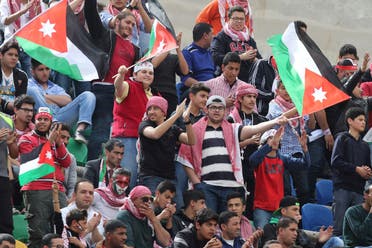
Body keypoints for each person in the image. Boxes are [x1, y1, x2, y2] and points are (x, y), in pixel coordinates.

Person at [177, 95, 288, 213]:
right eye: (213, 107)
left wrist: (275, 121)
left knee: (228, 224)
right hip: (207, 186)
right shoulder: (195, 130)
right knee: (209, 221)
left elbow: (254, 129)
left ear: (225, 111)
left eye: (220, 108)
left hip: (231, 186)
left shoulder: (233, 129)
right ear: (206, 110)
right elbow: (185, 157)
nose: (216, 110)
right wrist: (198, 184)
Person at [84, 0, 140, 160]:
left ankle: (110, 175)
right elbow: (91, 15)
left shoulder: (135, 50)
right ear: (117, 21)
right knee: (101, 133)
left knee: (116, 139)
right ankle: (93, 168)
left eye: (133, 24)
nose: (130, 26)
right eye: (127, 22)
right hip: (104, 90)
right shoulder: (105, 37)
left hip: (123, 96)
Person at [18, 107, 70, 248]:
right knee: (38, 233)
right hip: (36, 189)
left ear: (50, 122)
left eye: (45, 119)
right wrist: (49, 142)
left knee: (62, 233)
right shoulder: (26, 138)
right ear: (34, 121)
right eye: (39, 119)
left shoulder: (56, 140)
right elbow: (31, 161)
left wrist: (58, 143)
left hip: (58, 190)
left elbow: (66, 162)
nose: (42, 122)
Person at [248, 127, 310, 228]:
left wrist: (304, 149)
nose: (276, 140)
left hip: (279, 209)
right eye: (271, 138)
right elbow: (252, 160)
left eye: (278, 138)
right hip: (262, 208)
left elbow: (304, 165)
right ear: (265, 141)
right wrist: (269, 145)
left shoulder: (283, 158)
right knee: (263, 236)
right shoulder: (260, 159)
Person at [111, 62, 158, 189]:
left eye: (150, 73)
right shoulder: (129, 85)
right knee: (128, 174)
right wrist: (121, 75)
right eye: (144, 72)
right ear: (135, 74)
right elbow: (118, 88)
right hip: (127, 137)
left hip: (146, 142)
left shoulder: (155, 95)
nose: (147, 75)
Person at [26, 59, 96, 144]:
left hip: (60, 116)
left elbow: (67, 100)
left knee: (88, 95)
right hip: (42, 119)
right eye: (41, 70)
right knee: (32, 91)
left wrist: (44, 97)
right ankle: (53, 124)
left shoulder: (54, 86)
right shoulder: (28, 84)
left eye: (47, 69)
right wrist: (56, 100)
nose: (45, 73)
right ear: (32, 71)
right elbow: (31, 98)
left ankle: (80, 130)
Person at [138, 96, 195, 193]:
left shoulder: (173, 129)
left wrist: (187, 121)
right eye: (149, 109)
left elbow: (191, 141)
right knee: (154, 207)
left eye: (155, 108)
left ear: (163, 112)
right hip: (150, 177)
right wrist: (176, 115)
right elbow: (155, 134)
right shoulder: (145, 125)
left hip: (170, 178)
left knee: (177, 207)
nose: (151, 111)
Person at [266, 79, 309, 206]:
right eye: (283, 88)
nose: (286, 91)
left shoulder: (297, 105)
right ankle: (285, 217)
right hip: (280, 152)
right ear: (277, 90)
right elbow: (280, 118)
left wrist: (306, 107)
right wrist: (298, 108)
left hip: (297, 150)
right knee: (286, 189)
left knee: (304, 189)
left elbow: (308, 122)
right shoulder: (274, 103)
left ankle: (300, 218)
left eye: (290, 88)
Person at [228, 83, 267, 219]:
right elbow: (227, 145)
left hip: (256, 165)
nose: (252, 100)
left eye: (254, 97)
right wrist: (248, 142)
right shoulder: (231, 119)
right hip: (237, 165)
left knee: (253, 197)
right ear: (240, 99)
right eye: (248, 97)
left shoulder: (261, 120)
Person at [331, 107, 372, 236]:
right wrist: (356, 169)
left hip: (359, 190)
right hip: (343, 188)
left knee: (355, 230)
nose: (363, 122)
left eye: (364, 120)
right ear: (350, 120)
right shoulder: (342, 138)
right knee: (339, 228)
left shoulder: (365, 145)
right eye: (360, 119)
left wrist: (367, 171)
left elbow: (367, 166)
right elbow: (335, 162)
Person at [174, 83, 210, 208]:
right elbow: (172, 135)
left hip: (199, 161)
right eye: (202, 96)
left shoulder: (206, 118)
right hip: (180, 159)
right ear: (191, 96)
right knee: (179, 193)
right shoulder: (178, 114)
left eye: (207, 97)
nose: (205, 99)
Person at [261, 196, 343, 248]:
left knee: (336, 241)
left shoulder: (299, 231)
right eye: (294, 209)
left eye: (298, 210)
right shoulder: (270, 227)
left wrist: (320, 242)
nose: (298, 213)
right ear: (283, 211)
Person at [211, 6, 261, 83]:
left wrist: (254, 59)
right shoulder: (221, 37)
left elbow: (260, 61)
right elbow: (215, 57)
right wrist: (240, 57)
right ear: (228, 19)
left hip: (246, 82)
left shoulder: (249, 39)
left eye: (241, 19)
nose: (239, 21)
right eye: (235, 19)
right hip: (225, 81)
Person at [0, 0, 43, 77]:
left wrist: (38, 14)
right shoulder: (6, 2)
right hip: (11, 47)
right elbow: (5, 21)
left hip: (28, 48)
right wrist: (22, 11)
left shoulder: (35, 2)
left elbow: (39, 25)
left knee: (29, 81)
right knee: (12, 79)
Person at [151, 32, 189, 116]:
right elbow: (153, 64)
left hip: (171, 95)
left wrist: (178, 49)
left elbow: (185, 71)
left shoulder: (173, 58)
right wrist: (169, 46)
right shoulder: (151, 53)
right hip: (155, 93)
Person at [61, 179, 103, 246]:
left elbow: (99, 243)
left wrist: (94, 228)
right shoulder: (63, 213)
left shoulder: (96, 215)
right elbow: (67, 239)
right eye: (83, 192)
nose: (87, 195)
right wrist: (88, 228)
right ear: (74, 195)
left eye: (91, 193)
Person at [179, 22, 216, 98]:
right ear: (205, 36)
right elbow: (186, 80)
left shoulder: (211, 52)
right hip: (196, 91)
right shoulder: (187, 52)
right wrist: (205, 87)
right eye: (212, 34)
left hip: (212, 90)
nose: (214, 37)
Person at [0, 106, 18, 234]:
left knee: (6, 223)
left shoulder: (7, 119)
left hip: (3, 176)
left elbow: (14, 155)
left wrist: (11, 143)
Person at [0, 40, 28, 114]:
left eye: (16, 55)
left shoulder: (22, 76)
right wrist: (6, 104)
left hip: (13, 113)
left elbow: (21, 100)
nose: (14, 58)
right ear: (1, 55)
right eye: (10, 54)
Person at [60, 124, 77, 200]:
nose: (66, 141)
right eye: (62, 137)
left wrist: (69, 200)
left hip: (63, 196)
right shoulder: (46, 154)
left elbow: (72, 185)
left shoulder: (71, 158)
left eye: (68, 138)